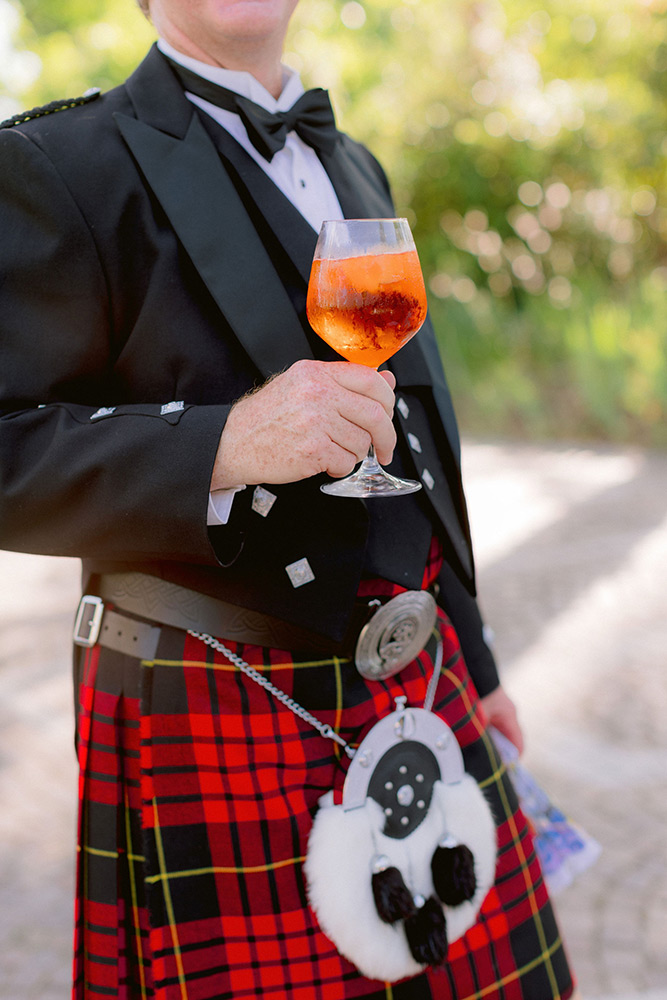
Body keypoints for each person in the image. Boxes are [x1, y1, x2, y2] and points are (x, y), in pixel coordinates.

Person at [0, 0, 576, 997]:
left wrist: (475, 659)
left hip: (419, 677)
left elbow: (420, 436)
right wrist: (221, 446)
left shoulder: (352, 162)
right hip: (213, 691)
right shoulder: (60, 166)